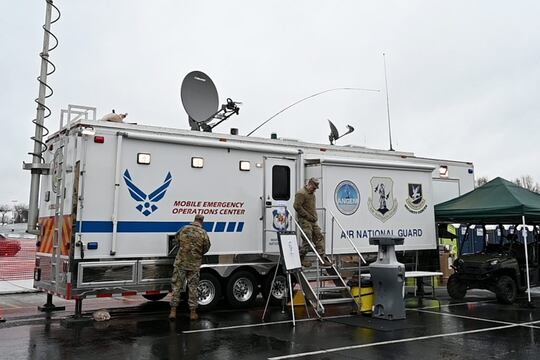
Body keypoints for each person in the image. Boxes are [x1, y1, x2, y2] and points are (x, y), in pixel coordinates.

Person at [169, 214, 211, 321]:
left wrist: (183, 248)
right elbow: (206, 248)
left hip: (181, 263)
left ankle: (173, 311)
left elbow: (176, 239)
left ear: (194, 220)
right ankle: (193, 313)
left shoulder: (184, 229)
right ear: (202, 222)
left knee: (176, 286)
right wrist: (197, 253)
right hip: (194, 265)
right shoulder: (203, 233)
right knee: (193, 288)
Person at [294, 177, 331, 267]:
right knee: (308, 240)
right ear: (309, 184)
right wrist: (308, 216)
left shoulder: (312, 194)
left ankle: (322, 259)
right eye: (313, 188)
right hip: (305, 220)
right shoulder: (301, 193)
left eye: (315, 188)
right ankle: (299, 259)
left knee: (319, 236)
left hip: (312, 220)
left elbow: (311, 207)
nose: (314, 190)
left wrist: (314, 217)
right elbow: (297, 206)